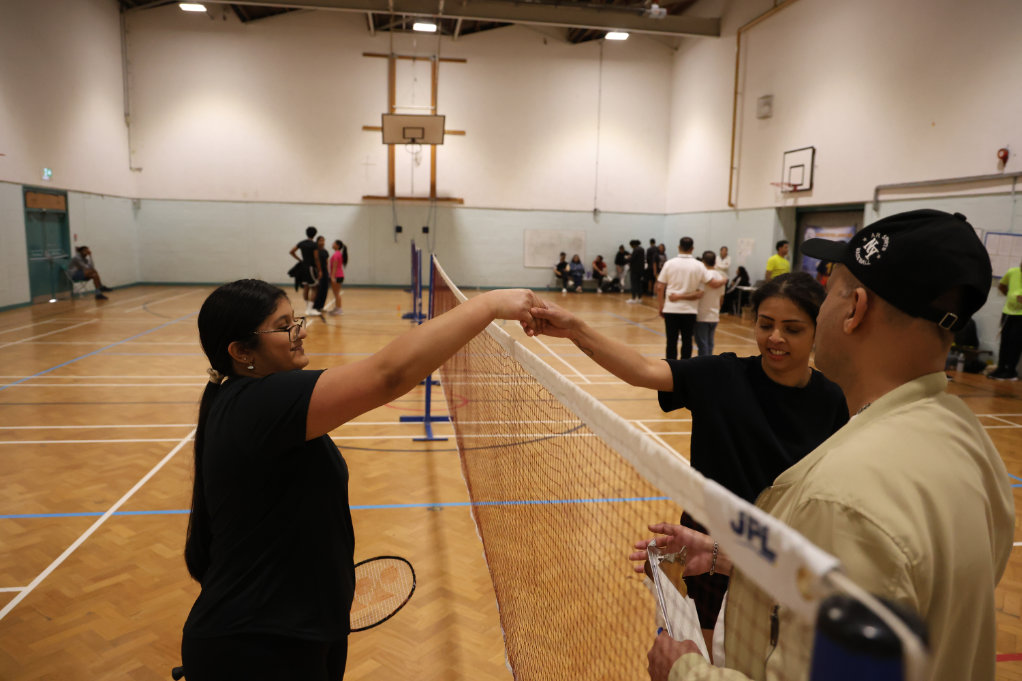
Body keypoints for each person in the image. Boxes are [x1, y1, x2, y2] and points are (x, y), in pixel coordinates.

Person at [642, 209, 1013, 681]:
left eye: (830, 290)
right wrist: (727, 556)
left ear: (854, 308)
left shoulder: (842, 496)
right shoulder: (973, 446)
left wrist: (684, 670)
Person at [181, 279, 544, 681]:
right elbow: (389, 374)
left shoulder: (255, 404)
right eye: (284, 326)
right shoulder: (256, 404)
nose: (300, 331)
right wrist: (490, 304)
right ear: (241, 351)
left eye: (295, 319)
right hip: (256, 647)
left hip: (303, 630)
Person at [531, 271, 847, 646]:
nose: (775, 338)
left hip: (782, 552)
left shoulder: (834, 399)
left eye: (792, 329)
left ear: (816, 330)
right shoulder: (722, 376)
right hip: (708, 546)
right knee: (711, 651)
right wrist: (576, 329)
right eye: (766, 325)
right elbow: (642, 370)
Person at [657, 237, 724, 360]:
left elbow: (660, 287)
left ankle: (670, 367)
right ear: (692, 248)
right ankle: (685, 367)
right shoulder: (699, 266)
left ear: (679, 247)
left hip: (671, 309)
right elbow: (713, 283)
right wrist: (725, 279)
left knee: (671, 341)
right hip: (690, 310)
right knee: (687, 341)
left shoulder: (669, 264)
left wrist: (661, 305)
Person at [685, 251, 726, 356]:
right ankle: (710, 365)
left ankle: (705, 367)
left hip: (702, 315)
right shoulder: (720, 277)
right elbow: (721, 298)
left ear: (703, 262)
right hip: (714, 316)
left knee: (702, 344)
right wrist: (717, 311)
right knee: (710, 343)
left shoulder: (703, 276)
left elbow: (698, 294)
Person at [990, 256, 1022, 380]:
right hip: (1008, 312)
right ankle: (1001, 368)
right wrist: (1010, 297)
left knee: (1016, 343)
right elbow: (1002, 285)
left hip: (1021, 315)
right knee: (1004, 341)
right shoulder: (1012, 272)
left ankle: (1011, 370)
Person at [288, 226, 320, 316]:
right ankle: (309, 309)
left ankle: (307, 308)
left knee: (306, 287)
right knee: (314, 288)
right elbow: (316, 258)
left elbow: (291, 251)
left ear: (307, 233)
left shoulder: (301, 243)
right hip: (311, 268)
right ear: (315, 234)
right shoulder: (314, 244)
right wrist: (320, 270)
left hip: (303, 267)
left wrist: (299, 259)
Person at [310, 236, 331, 315]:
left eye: (323, 240)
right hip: (318, 272)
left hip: (325, 272)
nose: (322, 242)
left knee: (325, 290)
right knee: (319, 289)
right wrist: (319, 271)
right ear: (317, 241)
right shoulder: (316, 251)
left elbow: (327, 262)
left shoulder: (325, 251)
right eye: (320, 240)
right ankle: (315, 307)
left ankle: (321, 306)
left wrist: (328, 273)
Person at [328, 240, 347, 316]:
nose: (332, 244)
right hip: (338, 276)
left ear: (338, 245)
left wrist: (332, 277)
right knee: (335, 293)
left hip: (337, 276)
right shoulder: (338, 254)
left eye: (334, 243)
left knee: (336, 293)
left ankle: (339, 309)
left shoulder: (336, 254)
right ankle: (337, 308)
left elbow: (335, 266)